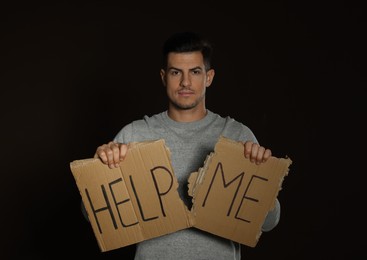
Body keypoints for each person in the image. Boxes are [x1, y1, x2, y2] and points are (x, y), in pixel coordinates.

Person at [91, 31, 280, 260]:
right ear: (163, 77)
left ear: (209, 77)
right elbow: (93, 215)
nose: (185, 82)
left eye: (195, 72)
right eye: (175, 72)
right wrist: (100, 170)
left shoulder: (237, 135)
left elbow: (269, 222)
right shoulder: (134, 134)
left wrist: (260, 177)